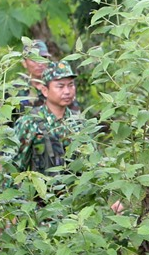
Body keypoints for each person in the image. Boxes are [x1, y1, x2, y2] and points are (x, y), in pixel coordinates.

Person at [12, 61, 123, 213]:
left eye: (70, 85)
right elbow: (14, 166)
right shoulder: (30, 123)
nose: (67, 91)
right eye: (60, 86)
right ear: (45, 90)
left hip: (76, 208)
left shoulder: (80, 125)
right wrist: (10, 209)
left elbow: (94, 166)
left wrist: (112, 198)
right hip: (37, 210)